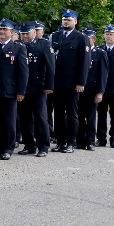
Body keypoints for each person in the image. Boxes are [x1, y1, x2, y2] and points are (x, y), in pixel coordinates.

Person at [0, 19, 28, 160]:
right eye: (0, 29)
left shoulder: (18, 48)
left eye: (5, 30)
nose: (2, 32)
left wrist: (21, 91)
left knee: (9, 121)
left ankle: (8, 148)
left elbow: (23, 71)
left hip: (9, 90)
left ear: (11, 32)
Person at [50, 10, 89, 153]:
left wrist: (81, 82)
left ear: (75, 22)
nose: (66, 22)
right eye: (64, 19)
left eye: (69, 19)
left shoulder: (81, 38)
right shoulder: (55, 36)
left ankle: (71, 142)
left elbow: (84, 62)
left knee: (72, 113)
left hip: (73, 83)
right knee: (58, 113)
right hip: (57, 82)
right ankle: (60, 142)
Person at [16, 21, 54, 157]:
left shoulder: (43, 44)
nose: (25, 36)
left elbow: (50, 67)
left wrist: (49, 86)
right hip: (22, 89)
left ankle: (43, 146)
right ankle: (29, 145)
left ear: (34, 32)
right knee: (24, 118)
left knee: (41, 117)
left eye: (27, 33)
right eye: (22, 33)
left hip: (39, 88)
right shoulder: (17, 45)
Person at [76, 29, 108, 151]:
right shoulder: (79, 52)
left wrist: (100, 92)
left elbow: (103, 74)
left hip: (92, 90)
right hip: (79, 90)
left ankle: (90, 141)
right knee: (79, 117)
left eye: (88, 38)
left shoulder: (100, 53)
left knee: (90, 117)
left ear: (94, 39)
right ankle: (80, 141)